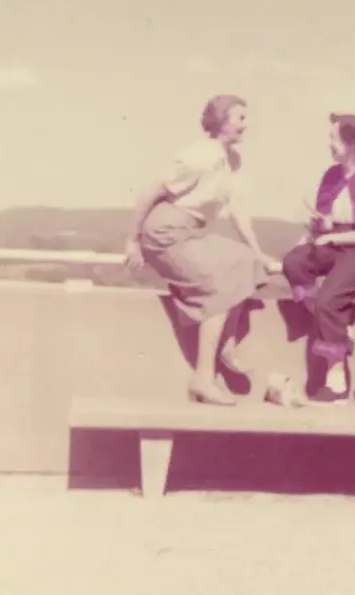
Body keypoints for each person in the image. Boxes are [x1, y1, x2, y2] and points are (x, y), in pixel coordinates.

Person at [124, 94, 279, 407]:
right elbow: (150, 191)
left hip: (191, 231)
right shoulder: (200, 155)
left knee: (245, 262)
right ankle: (203, 378)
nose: (245, 126)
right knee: (215, 286)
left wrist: (258, 252)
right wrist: (132, 238)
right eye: (240, 118)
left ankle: (227, 348)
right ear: (222, 120)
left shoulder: (230, 160)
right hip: (165, 231)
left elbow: (237, 212)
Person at [281, 113, 355, 405]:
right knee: (294, 262)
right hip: (335, 243)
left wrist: (332, 238)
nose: (328, 144)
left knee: (328, 301)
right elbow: (329, 221)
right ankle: (340, 337)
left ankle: (336, 384)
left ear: (353, 143)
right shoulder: (332, 176)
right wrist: (318, 226)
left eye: (334, 138)